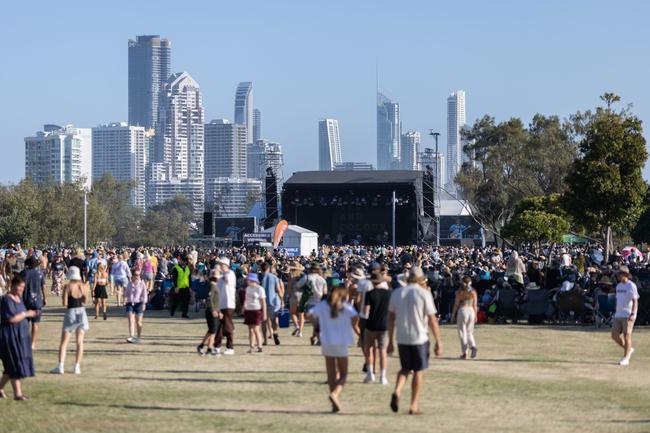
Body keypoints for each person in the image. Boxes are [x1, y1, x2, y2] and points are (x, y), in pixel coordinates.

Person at [387, 266, 443, 415]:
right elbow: (432, 319)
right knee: (418, 371)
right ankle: (413, 405)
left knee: (405, 368)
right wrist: (438, 341)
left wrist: (390, 341)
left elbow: (391, 319)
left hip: (402, 337)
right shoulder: (424, 294)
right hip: (419, 337)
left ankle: (397, 391)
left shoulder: (397, 293)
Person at [309, 278, 358, 413]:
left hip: (326, 341)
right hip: (341, 342)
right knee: (343, 374)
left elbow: (310, 314)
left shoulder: (323, 305)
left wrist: (317, 323)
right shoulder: (345, 306)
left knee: (331, 374)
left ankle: (333, 403)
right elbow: (355, 317)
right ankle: (335, 394)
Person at [0, 276, 36, 400]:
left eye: (23, 287)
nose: (21, 289)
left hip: (20, 336)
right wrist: (27, 314)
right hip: (9, 336)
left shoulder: (19, 299)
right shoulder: (6, 300)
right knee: (14, 363)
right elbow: (11, 318)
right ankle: (18, 394)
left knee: (10, 366)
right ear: (12, 285)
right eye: (19, 286)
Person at [51, 266, 89, 375]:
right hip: (81, 312)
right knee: (79, 342)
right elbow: (85, 301)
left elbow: (64, 303)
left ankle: (60, 366)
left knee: (64, 342)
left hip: (71, 312)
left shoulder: (68, 286)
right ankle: (77, 367)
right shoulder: (83, 286)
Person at [363, 269, 391, 384]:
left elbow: (366, 312)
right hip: (384, 324)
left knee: (368, 349)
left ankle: (370, 374)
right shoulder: (388, 293)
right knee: (382, 351)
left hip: (371, 324)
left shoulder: (369, 294)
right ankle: (383, 376)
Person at [611, 267, 639, 366]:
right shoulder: (618, 286)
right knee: (614, 335)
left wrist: (633, 313)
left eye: (619, 274)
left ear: (625, 274)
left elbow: (635, 300)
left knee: (627, 336)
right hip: (618, 314)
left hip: (628, 314)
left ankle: (626, 358)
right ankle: (629, 349)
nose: (618, 276)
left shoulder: (631, 286)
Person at [295, 264, 328, 345]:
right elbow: (325, 292)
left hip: (310, 302)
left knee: (316, 323)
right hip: (320, 302)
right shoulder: (322, 279)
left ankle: (319, 339)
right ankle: (314, 337)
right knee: (317, 322)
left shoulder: (307, 277)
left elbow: (297, 285)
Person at [19, 256, 46, 350]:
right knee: (35, 323)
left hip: (25, 301)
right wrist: (44, 298)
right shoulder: (40, 273)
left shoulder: (23, 273)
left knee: (24, 323)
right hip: (37, 301)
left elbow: (18, 286)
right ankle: (32, 343)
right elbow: (43, 287)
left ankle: (24, 342)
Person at [451, 275, 478, 359]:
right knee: (469, 332)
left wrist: (453, 314)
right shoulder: (473, 292)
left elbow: (456, 304)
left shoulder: (460, 292)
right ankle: (473, 346)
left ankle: (464, 353)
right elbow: (475, 305)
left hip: (462, 310)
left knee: (462, 333)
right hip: (471, 311)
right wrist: (476, 315)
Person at [197, 269, 222, 356]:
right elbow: (210, 299)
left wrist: (219, 311)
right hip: (211, 311)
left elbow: (216, 301)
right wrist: (213, 310)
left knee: (213, 330)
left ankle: (209, 348)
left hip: (215, 311)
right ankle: (202, 346)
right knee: (212, 330)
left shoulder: (215, 286)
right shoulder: (212, 286)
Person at [215, 257, 237, 355]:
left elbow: (228, 280)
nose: (220, 266)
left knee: (228, 326)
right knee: (219, 327)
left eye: (222, 264)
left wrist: (221, 273)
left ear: (226, 265)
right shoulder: (220, 277)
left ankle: (230, 347)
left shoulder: (230, 274)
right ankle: (217, 346)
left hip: (229, 304)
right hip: (221, 304)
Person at [260, 262, 283, 346]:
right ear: (269, 269)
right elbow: (278, 290)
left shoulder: (260, 277)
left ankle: (265, 340)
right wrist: (282, 300)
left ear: (261, 269)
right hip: (273, 301)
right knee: (273, 320)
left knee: (264, 322)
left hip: (263, 302)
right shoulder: (274, 277)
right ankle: (275, 333)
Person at [243, 273, 267, 353]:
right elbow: (246, 299)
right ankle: (251, 346)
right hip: (248, 310)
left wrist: (264, 313)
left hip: (256, 310)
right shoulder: (248, 288)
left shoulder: (260, 289)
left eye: (248, 280)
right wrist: (244, 307)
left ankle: (260, 346)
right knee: (250, 330)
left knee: (256, 329)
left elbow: (263, 302)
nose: (247, 281)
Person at [124, 269, 147, 344]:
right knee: (131, 320)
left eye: (139, 275)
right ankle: (131, 336)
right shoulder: (129, 284)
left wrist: (144, 303)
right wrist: (123, 295)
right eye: (136, 275)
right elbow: (126, 293)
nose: (137, 276)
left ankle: (138, 337)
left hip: (139, 303)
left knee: (139, 322)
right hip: (130, 303)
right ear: (132, 276)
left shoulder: (142, 283)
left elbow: (144, 294)